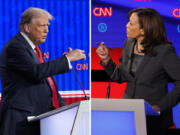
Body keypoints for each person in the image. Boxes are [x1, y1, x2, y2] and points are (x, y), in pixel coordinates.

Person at [0, 7, 86, 135]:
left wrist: (64, 108)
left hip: (38, 117)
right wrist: (67, 58)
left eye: (47, 26)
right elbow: (36, 72)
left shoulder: (34, 48)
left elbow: (46, 81)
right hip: (20, 119)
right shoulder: (15, 46)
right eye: (42, 26)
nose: (47, 30)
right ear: (27, 27)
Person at [96, 8, 180, 135]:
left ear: (143, 29)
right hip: (128, 115)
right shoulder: (129, 44)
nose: (126, 25)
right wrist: (106, 59)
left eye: (131, 23)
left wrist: (160, 107)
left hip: (153, 119)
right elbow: (120, 76)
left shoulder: (164, 51)